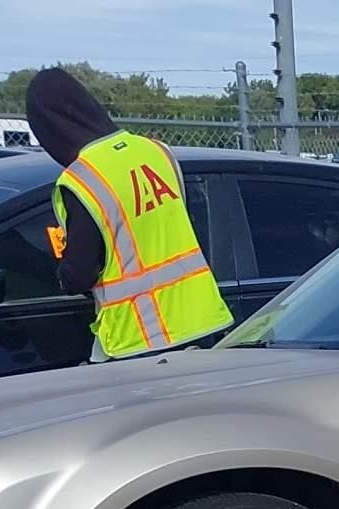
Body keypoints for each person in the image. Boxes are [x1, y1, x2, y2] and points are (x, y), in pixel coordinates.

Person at [22, 68, 232, 359]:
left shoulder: (83, 178)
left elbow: (81, 273)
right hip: (202, 319)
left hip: (139, 337)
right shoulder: (156, 151)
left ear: (50, 128)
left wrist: (62, 275)